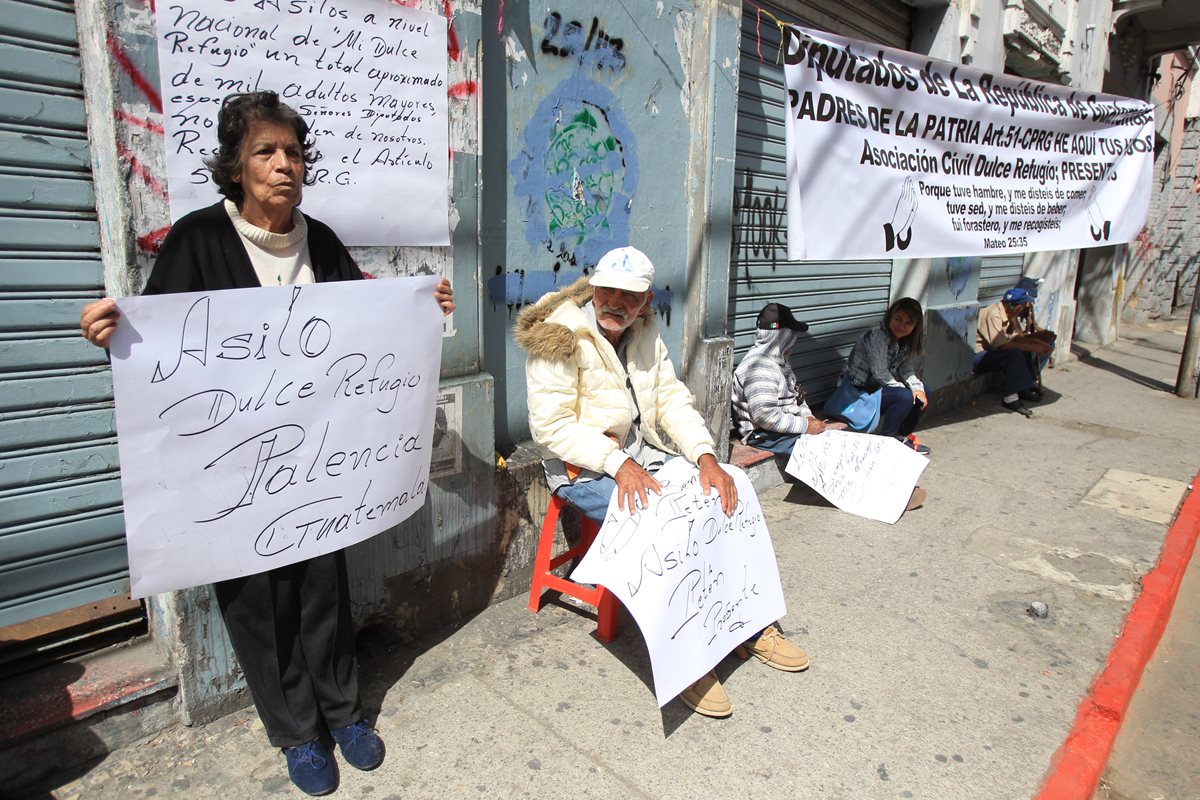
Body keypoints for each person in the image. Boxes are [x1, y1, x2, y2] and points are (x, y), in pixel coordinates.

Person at [79, 91, 455, 796]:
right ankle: (297, 732)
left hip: (314, 466)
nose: (284, 166)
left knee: (322, 590)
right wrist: (112, 338)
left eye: (292, 152)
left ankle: (344, 714)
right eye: (265, 152)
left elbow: (369, 333)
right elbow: (158, 354)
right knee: (257, 603)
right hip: (227, 475)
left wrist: (421, 314)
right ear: (234, 166)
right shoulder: (196, 242)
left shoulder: (323, 242)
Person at [514, 246, 809, 719]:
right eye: (607, 290)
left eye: (629, 296)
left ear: (646, 301)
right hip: (580, 467)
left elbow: (670, 399)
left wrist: (706, 455)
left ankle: (747, 625)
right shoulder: (560, 336)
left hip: (641, 454)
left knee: (730, 492)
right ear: (593, 286)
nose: (616, 303)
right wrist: (617, 464)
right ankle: (689, 657)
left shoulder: (645, 332)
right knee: (666, 524)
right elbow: (550, 428)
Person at [731, 302, 845, 455]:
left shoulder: (780, 361)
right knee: (824, 452)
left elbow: (795, 397)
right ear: (782, 335)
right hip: (763, 434)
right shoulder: (759, 367)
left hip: (785, 426)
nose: (795, 338)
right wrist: (805, 426)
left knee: (838, 443)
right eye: (792, 333)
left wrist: (808, 417)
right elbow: (764, 415)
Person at [833, 297, 930, 454]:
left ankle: (901, 437)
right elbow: (880, 372)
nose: (901, 326)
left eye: (908, 323)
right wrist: (907, 391)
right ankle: (887, 442)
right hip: (857, 392)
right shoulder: (877, 335)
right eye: (898, 319)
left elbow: (904, 368)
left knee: (923, 392)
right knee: (904, 396)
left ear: (915, 326)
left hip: (876, 391)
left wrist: (917, 388)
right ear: (890, 316)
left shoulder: (902, 341)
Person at [974, 286, 1053, 417]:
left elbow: (1015, 337)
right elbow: (1002, 345)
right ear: (1016, 307)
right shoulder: (993, 314)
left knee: (1023, 350)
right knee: (1014, 353)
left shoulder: (1009, 313)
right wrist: (1033, 347)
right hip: (978, 357)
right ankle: (1010, 398)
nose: (1025, 308)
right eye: (1023, 306)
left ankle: (1022, 387)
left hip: (992, 353)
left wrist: (1037, 342)